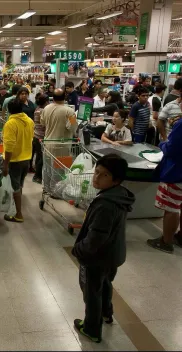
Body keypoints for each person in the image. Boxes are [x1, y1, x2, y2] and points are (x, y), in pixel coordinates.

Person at [72, 154, 135, 343]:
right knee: (106, 283)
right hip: (113, 254)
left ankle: (91, 329)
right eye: (96, 172)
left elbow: (95, 239)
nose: (96, 177)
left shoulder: (105, 205)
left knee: (92, 292)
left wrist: (78, 250)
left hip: (98, 258)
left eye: (104, 175)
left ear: (116, 180)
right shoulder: (119, 195)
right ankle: (107, 313)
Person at [147, 117, 182, 253]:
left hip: (176, 172)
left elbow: (172, 149)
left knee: (171, 208)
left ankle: (166, 242)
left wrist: (163, 144)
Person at [1, 100, 34, 223]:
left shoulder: (11, 123)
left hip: (15, 160)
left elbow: (9, 146)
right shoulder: (29, 121)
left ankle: (18, 214)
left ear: (9, 111)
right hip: (26, 158)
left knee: (15, 187)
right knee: (19, 184)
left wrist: (5, 165)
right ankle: (15, 207)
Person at [32, 94, 48, 184]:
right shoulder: (42, 111)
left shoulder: (37, 109)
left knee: (39, 156)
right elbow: (44, 124)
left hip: (36, 135)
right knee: (42, 157)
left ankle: (37, 174)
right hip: (41, 137)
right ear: (46, 102)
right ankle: (37, 176)